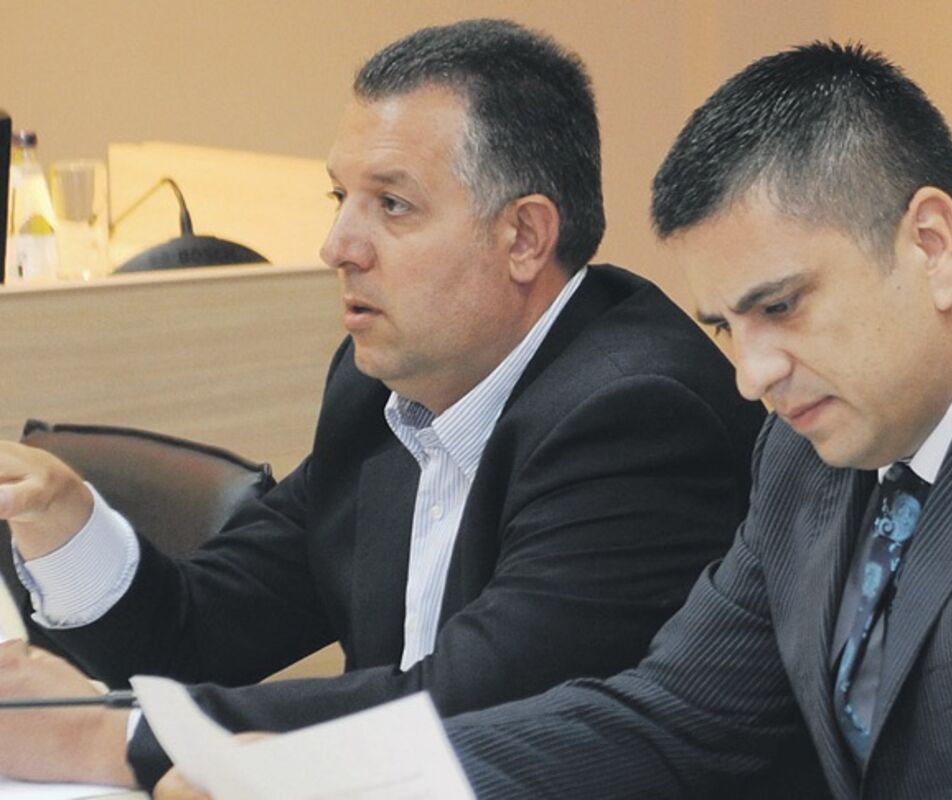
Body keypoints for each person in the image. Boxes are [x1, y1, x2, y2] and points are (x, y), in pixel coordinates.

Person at [0, 19, 765, 791]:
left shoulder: (638, 418)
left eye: (392, 205)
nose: (338, 245)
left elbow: (470, 710)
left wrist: (116, 737)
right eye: (341, 197)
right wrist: (63, 522)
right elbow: (196, 633)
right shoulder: (383, 388)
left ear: (524, 237)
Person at [426, 41, 952, 798]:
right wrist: (390, 775)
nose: (752, 375)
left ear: (931, 245)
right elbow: (678, 714)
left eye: (780, 306)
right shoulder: (807, 438)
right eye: (727, 326)